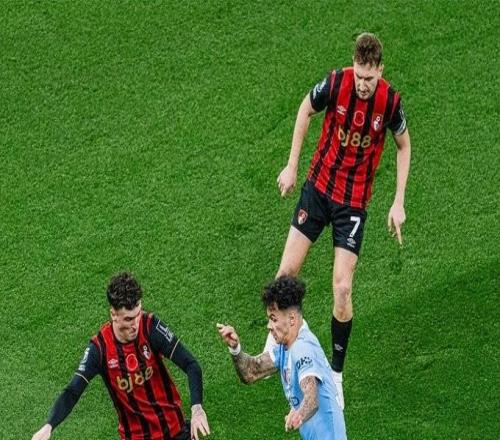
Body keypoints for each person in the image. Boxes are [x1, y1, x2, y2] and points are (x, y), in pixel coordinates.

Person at [269, 32, 412, 408]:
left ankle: (335, 374)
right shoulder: (336, 83)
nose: (363, 85)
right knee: (285, 275)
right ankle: (273, 350)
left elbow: (403, 145)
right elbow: (305, 109)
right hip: (318, 189)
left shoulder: (390, 102)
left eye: (370, 78)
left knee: (343, 289)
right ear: (354, 66)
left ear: (380, 70)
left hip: (353, 204)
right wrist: (292, 165)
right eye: (360, 76)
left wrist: (398, 201)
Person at [31, 272, 210, 440]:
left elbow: (191, 365)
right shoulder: (100, 348)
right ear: (113, 314)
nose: (135, 324)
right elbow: (72, 391)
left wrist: (197, 408)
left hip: (176, 431)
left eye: (138, 314)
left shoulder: (151, 327)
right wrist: (49, 425)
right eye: (128, 319)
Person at [218, 276, 347, 440]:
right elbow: (250, 372)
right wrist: (235, 348)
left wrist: (298, 415)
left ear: (291, 319)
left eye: (273, 319)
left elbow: (312, 398)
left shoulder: (302, 348)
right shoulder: (285, 347)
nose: (269, 326)